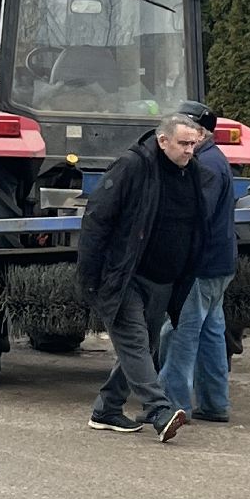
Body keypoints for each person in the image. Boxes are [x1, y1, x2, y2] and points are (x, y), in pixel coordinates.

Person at [78, 114, 209, 443]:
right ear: (163, 141)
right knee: (135, 344)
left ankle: (107, 409)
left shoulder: (190, 173)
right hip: (125, 276)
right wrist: (91, 278)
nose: (190, 150)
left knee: (144, 347)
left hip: (164, 279)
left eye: (194, 144)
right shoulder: (132, 166)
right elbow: (97, 219)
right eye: (183, 143)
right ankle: (159, 411)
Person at [159, 101, 237, 423]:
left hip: (200, 265)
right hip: (220, 263)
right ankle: (215, 404)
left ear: (199, 132)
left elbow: (194, 215)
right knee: (210, 334)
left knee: (179, 333)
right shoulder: (215, 160)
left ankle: (173, 405)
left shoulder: (204, 167)